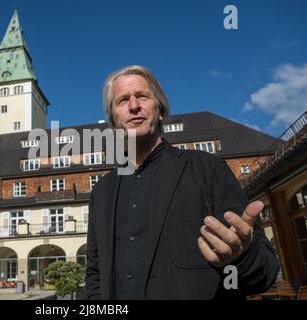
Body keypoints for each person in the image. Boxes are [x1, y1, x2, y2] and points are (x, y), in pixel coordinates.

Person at [85, 65, 279, 299]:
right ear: (114, 120)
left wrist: (242, 257)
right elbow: (95, 273)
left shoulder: (207, 169)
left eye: (143, 96)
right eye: (122, 100)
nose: (134, 105)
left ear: (160, 111)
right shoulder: (102, 192)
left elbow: (265, 273)